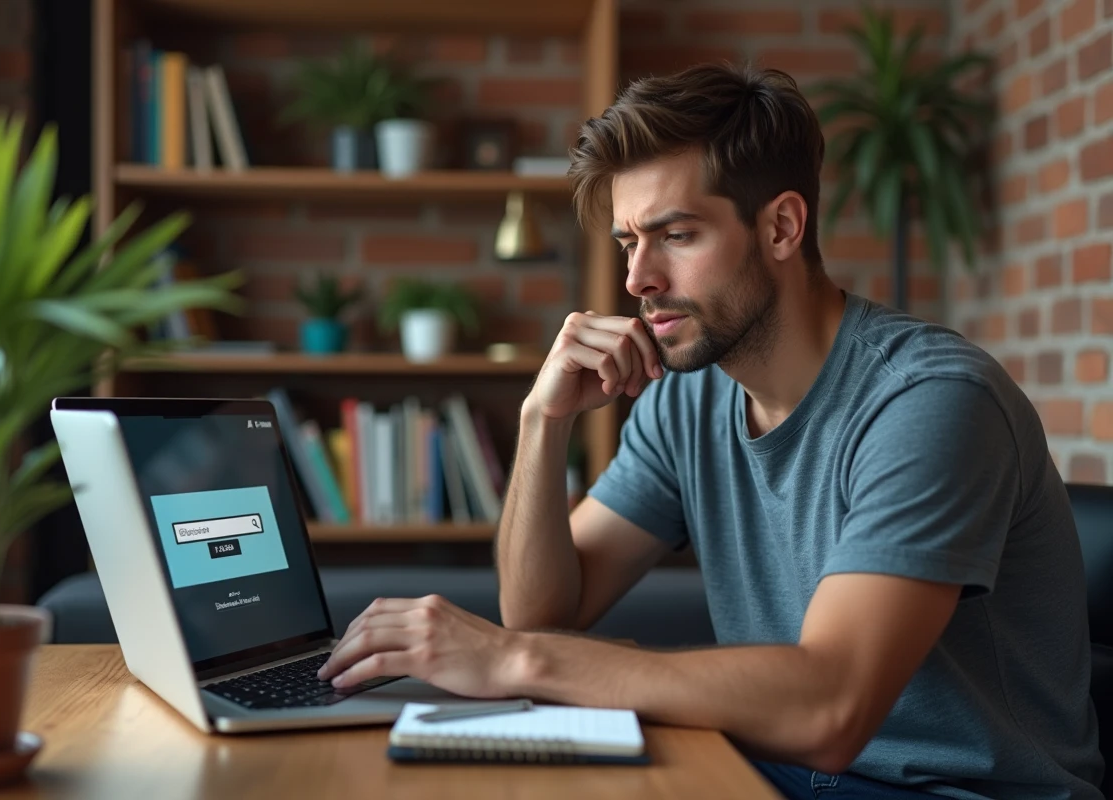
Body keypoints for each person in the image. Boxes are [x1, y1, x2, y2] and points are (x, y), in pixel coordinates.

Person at [318, 63, 1103, 799]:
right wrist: (541, 420)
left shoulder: (929, 401)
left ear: (782, 228)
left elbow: (832, 708)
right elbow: (543, 612)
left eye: (676, 235)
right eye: (630, 242)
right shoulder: (686, 400)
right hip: (773, 772)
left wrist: (516, 660)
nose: (637, 279)